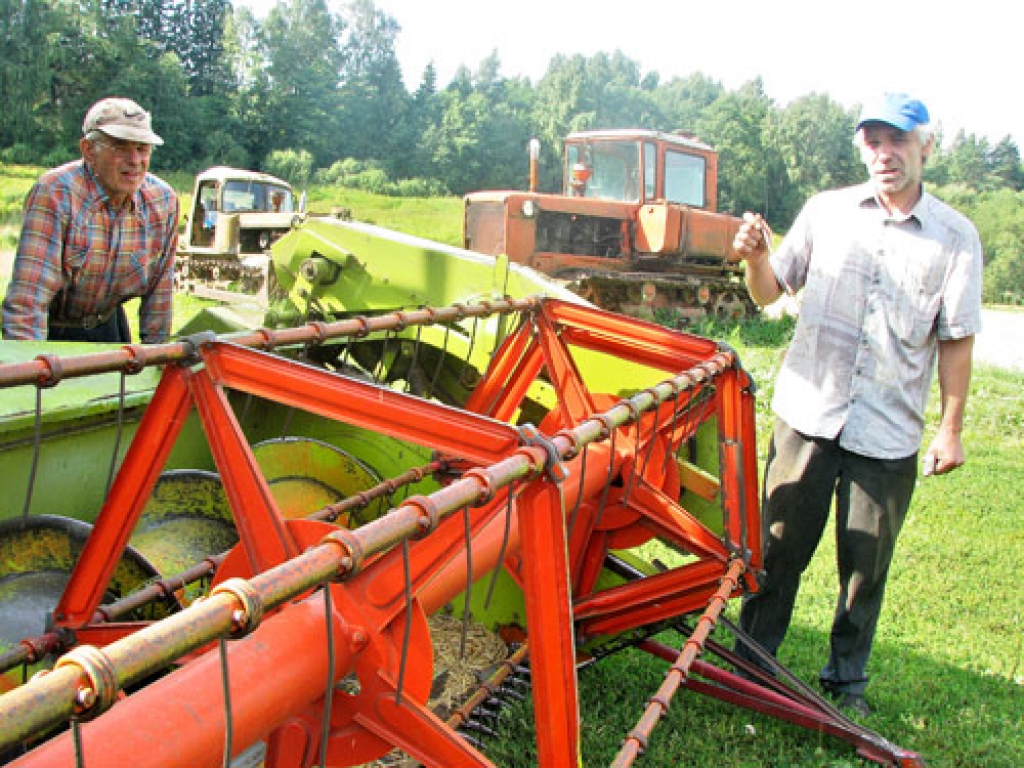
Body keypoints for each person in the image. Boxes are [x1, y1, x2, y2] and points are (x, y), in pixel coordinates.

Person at [731, 93, 983, 716]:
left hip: (888, 429)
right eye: (873, 140)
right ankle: (749, 666)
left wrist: (950, 430)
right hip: (807, 413)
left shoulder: (956, 237)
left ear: (926, 144)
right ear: (861, 148)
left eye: (897, 140)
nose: (884, 153)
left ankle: (846, 682)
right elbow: (767, 294)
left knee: (865, 566)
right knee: (779, 543)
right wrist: (757, 259)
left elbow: (955, 341)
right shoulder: (826, 212)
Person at [2, 97, 179, 343]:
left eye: (142, 148)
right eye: (120, 146)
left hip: (108, 327)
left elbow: (160, 296)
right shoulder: (56, 193)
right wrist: (30, 373)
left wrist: (158, 363)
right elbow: (28, 302)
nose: (135, 160)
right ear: (88, 150)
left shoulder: (162, 201)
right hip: (53, 331)